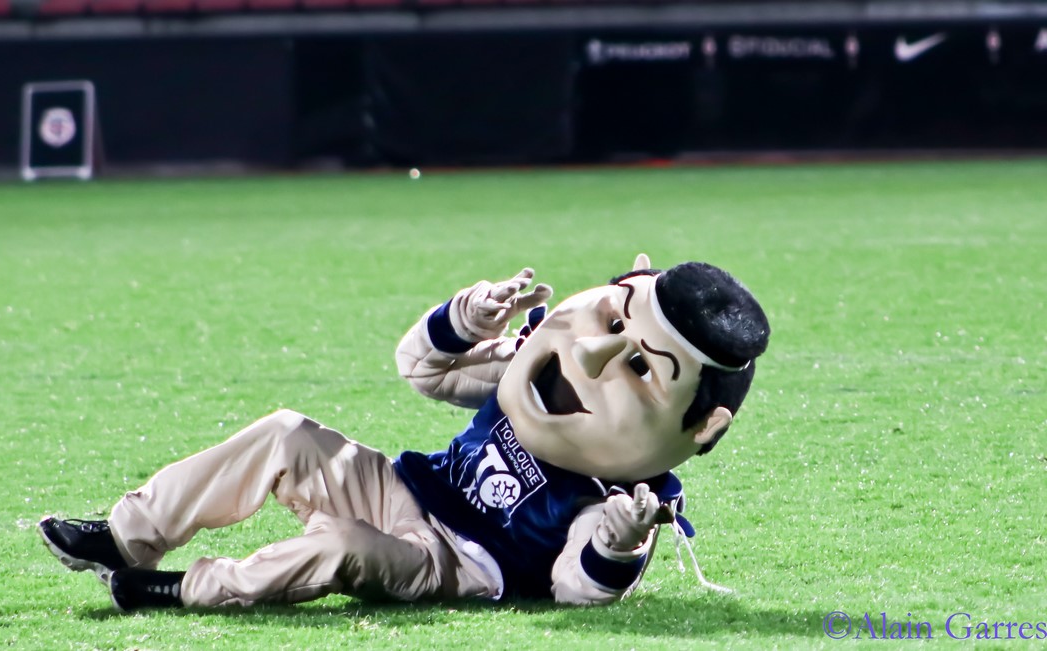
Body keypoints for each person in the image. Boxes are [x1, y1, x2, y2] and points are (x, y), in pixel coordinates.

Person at [39, 253, 770, 611]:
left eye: (641, 366)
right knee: (286, 433)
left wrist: (618, 542)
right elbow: (423, 369)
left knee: (342, 545)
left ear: (702, 425)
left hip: (456, 563)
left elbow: (575, 588)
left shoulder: (620, 495)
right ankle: (127, 535)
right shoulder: (533, 366)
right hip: (410, 490)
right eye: (613, 319)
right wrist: (467, 318)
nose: (590, 355)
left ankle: (180, 590)